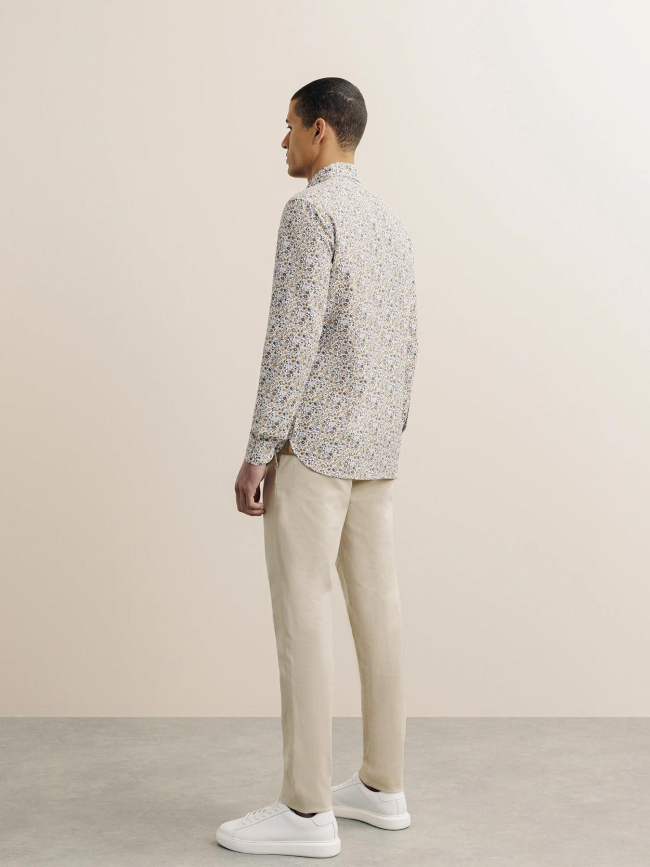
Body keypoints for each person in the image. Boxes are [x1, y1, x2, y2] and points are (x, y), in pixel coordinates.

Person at [220, 77, 418, 858]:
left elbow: (291, 336)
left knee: (303, 616)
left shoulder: (310, 213)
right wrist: (391, 426)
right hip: (375, 449)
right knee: (380, 614)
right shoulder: (389, 221)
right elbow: (408, 338)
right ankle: (383, 784)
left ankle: (306, 810)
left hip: (314, 450)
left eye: (290, 126)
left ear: (321, 130)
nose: (283, 140)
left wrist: (260, 446)